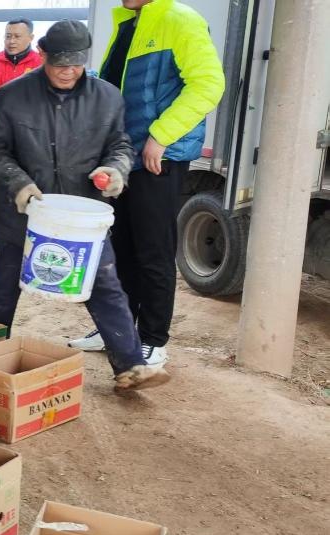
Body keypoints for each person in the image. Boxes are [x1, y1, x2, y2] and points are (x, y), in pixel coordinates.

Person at [0, 19, 169, 391]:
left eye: (77, 63)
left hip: (82, 213)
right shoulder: (13, 96)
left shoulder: (107, 97)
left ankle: (131, 365)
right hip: (26, 212)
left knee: (104, 282)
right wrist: (18, 182)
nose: (68, 71)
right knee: (5, 283)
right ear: (43, 54)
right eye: (60, 63)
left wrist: (115, 170)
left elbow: (120, 145)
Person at [71, 0, 224, 366]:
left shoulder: (180, 19)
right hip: (123, 157)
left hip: (158, 159)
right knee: (121, 247)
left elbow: (207, 84)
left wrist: (161, 135)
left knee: (153, 251)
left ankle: (154, 338)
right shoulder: (127, 22)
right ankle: (118, 328)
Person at [0, 18, 43, 261]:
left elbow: (41, 98)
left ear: (30, 38)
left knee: (28, 190)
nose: (11, 41)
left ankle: (28, 241)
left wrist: (1, 94)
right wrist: (19, 99)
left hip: (28, 140)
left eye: (17, 36)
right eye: (8, 35)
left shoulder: (40, 63)